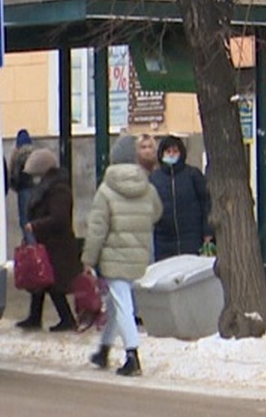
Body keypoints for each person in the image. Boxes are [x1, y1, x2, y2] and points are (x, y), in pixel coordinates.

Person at [81, 134, 162, 377]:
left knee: (122, 305)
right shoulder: (147, 187)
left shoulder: (106, 190)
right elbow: (156, 212)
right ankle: (104, 349)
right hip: (138, 255)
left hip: (114, 257)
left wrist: (88, 259)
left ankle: (132, 355)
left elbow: (97, 228)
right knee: (116, 306)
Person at [15, 148, 81, 332]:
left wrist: (35, 226)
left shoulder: (58, 189)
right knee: (41, 281)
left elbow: (59, 218)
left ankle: (66, 320)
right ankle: (35, 317)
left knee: (52, 284)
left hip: (57, 245)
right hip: (49, 243)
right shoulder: (49, 186)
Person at [150, 135, 213, 261]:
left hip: (191, 238)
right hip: (163, 240)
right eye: (168, 152)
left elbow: (205, 203)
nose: (172, 155)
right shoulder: (154, 179)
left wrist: (207, 231)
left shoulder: (192, 175)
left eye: (175, 151)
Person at [7, 129, 36, 238]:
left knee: (25, 221)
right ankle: (38, 247)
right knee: (35, 220)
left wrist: (15, 187)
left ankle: (30, 247)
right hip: (38, 190)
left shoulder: (17, 154)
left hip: (24, 190)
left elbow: (14, 174)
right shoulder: (36, 152)